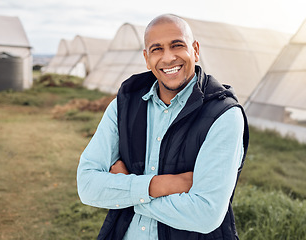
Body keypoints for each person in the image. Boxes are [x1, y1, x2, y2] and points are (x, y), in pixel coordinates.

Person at [77, 14, 249, 240]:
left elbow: (205, 213)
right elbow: (88, 186)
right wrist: (163, 185)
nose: (168, 58)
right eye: (157, 49)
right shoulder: (124, 105)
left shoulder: (223, 115)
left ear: (195, 50)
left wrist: (126, 191)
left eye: (177, 45)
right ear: (147, 58)